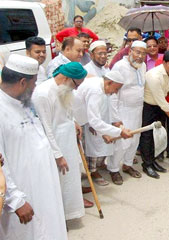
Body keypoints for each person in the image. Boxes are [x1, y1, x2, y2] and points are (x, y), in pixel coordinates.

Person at [0, 54, 67, 239]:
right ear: (22, 82)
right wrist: (16, 201)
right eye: (34, 82)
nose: (35, 87)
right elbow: (0, 164)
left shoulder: (24, 102)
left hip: (44, 187)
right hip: (23, 194)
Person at [32, 62, 90, 220]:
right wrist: (58, 155)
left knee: (70, 179)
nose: (76, 89)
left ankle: (70, 213)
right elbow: (46, 127)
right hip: (55, 144)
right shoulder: (43, 93)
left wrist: (74, 123)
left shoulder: (64, 88)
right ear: (66, 77)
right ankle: (58, 218)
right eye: (76, 85)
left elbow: (66, 112)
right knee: (58, 182)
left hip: (68, 141)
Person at [73, 71, 134, 183]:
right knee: (74, 158)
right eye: (116, 89)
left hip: (79, 121)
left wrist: (104, 134)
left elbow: (94, 117)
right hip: (72, 121)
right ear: (109, 83)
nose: (115, 93)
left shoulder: (99, 85)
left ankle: (78, 186)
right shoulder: (96, 91)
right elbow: (95, 120)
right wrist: (120, 132)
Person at [140, 51, 169, 179]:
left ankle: (153, 161)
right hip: (149, 106)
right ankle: (146, 164)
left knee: (157, 135)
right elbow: (161, 100)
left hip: (161, 107)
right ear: (164, 62)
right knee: (147, 136)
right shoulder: (154, 76)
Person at [108, 41, 147, 185]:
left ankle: (127, 164)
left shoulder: (142, 66)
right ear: (130, 51)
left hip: (138, 108)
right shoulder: (120, 66)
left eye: (143, 53)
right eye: (137, 52)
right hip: (123, 109)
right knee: (121, 142)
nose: (140, 56)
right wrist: (115, 118)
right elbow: (112, 94)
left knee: (135, 139)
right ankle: (113, 169)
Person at [83, 40, 111, 185]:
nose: (103, 56)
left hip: (104, 111)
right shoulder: (86, 70)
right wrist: (91, 121)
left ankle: (100, 164)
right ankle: (92, 171)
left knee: (103, 141)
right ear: (91, 54)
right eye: (99, 53)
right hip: (91, 114)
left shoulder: (106, 70)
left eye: (105, 53)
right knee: (93, 143)